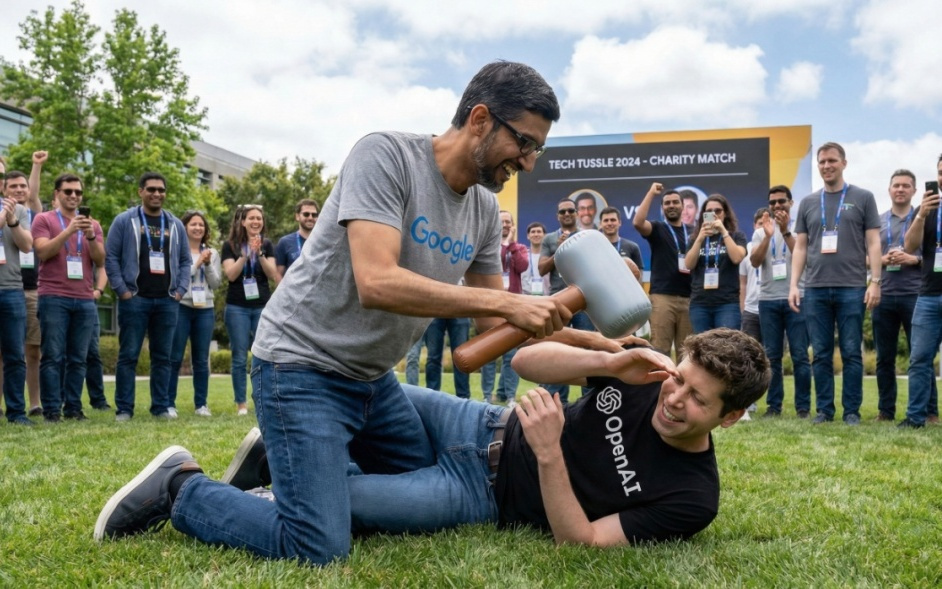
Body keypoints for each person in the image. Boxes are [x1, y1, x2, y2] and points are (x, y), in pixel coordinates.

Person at [96, 60, 576, 565]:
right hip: (300, 366)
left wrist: (600, 347)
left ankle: (280, 462)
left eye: (537, 149)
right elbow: (378, 281)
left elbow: (494, 328)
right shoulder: (386, 156)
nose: (528, 163)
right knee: (317, 546)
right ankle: (179, 486)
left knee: (411, 488)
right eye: (524, 142)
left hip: (372, 383)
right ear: (480, 119)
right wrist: (509, 301)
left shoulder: (483, 210)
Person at [102, 328, 770, 551]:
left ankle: (179, 486)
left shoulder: (692, 496)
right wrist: (609, 360)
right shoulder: (646, 378)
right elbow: (525, 361)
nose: (674, 399)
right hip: (474, 421)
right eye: (680, 380)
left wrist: (548, 454)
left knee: (329, 512)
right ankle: (280, 452)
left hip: (477, 492)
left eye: (697, 399)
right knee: (362, 384)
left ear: (729, 417)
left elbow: (584, 543)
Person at [789, 142, 882, 426]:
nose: (826, 166)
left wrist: (875, 281)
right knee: (820, 353)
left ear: (844, 163)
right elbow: (800, 247)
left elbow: (874, 242)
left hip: (852, 287)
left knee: (852, 351)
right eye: (822, 161)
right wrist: (794, 285)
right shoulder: (808, 202)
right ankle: (825, 411)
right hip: (815, 288)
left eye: (832, 160)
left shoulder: (863, 197)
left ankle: (851, 411)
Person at [105, 172, 191, 421]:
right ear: (140, 191)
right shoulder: (124, 220)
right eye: (151, 189)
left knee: (163, 357)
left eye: (161, 190)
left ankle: (161, 407)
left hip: (167, 300)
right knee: (128, 355)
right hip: (135, 298)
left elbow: (185, 261)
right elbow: (111, 257)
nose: (156, 194)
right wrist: (122, 290)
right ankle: (124, 408)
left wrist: (180, 290)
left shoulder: (175, 224)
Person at [32, 174, 105, 422]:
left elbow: (100, 260)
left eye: (78, 192)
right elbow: (43, 252)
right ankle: (52, 409)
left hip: (84, 298)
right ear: (57, 193)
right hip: (53, 296)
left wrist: (90, 236)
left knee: (79, 358)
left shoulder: (93, 225)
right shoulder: (44, 219)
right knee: (53, 356)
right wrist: (69, 231)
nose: (74, 196)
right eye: (68, 191)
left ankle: (73, 408)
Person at [871, 170, 938, 423]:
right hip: (885, 294)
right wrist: (882, 260)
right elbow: (866, 258)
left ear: (914, 190)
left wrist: (913, 259)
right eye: (896, 185)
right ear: (889, 190)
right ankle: (885, 411)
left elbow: (931, 255)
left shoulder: (926, 215)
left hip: (917, 294)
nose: (900, 189)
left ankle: (930, 412)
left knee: (921, 355)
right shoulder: (878, 222)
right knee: (884, 358)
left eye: (906, 186)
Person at [750, 186, 812, 418]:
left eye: (781, 201)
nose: (777, 206)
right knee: (772, 356)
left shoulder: (801, 229)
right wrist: (768, 236)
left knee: (800, 355)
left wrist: (785, 231)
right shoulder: (761, 232)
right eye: (773, 202)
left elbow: (804, 258)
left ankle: (803, 407)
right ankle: (774, 406)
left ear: (791, 203)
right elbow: (755, 262)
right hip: (768, 299)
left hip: (797, 297)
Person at [221, 204, 280, 415]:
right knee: (239, 356)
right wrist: (245, 255)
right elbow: (231, 274)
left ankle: (264, 400)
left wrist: (260, 253)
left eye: (259, 218)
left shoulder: (267, 244)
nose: (256, 222)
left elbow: (273, 274)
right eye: (252, 218)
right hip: (237, 307)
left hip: (262, 306)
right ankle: (241, 404)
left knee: (265, 354)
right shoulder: (230, 245)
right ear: (243, 222)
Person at [900, 154, 942, 428]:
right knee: (919, 360)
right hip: (928, 295)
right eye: (941, 172)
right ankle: (915, 418)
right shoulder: (928, 208)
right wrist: (921, 215)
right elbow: (909, 246)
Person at [169, 210, 222, 417]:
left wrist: (207, 264)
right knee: (175, 357)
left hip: (205, 309)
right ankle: (169, 404)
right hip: (181, 306)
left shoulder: (212, 253)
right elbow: (176, 278)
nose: (198, 228)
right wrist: (197, 262)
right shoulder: (176, 250)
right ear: (184, 227)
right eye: (193, 224)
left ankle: (201, 404)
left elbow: (216, 283)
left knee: (201, 359)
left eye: (201, 225)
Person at [538, 198, 592, 403]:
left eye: (570, 210)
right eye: (563, 212)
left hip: (584, 301)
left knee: (587, 350)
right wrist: (558, 251)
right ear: (557, 216)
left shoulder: (587, 236)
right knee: (556, 350)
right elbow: (542, 269)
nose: (567, 214)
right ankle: (556, 402)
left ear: (577, 213)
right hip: (558, 301)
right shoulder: (549, 239)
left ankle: (588, 402)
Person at [632, 183, 693, 359]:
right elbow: (638, 222)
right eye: (667, 203)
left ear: (683, 206)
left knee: (687, 353)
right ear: (662, 208)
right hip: (662, 297)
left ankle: (682, 379)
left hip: (690, 298)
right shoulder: (658, 228)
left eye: (675, 202)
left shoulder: (694, 232)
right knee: (660, 350)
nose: (671, 205)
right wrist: (651, 193)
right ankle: (661, 379)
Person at [481, 210, 529, 404]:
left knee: (511, 355)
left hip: (513, 305)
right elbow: (498, 262)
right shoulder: (489, 246)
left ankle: (509, 396)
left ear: (513, 225)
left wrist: (512, 245)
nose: (505, 225)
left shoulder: (520, 247)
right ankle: (486, 396)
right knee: (489, 354)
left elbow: (522, 266)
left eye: (508, 222)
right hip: (492, 305)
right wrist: (505, 244)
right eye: (502, 221)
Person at [0, 173, 35, 425]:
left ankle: (16, 412)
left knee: (15, 354)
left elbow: (27, 246)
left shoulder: (20, 210)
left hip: (12, 289)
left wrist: (12, 220)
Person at [684, 194, 747, 333]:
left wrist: (724, 231)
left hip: (727, 303)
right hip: (700, 303)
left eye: (718, 211)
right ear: (703, 215)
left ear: (725, 213)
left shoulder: (737, 236)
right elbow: (688, 265)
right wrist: (699, 238)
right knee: (702, 344)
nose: (714, 215)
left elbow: (737, 258)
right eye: (709, 212)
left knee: (727, 343)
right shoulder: (695, 238)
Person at [424, 316, 472, 399]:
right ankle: (431, 398)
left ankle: (463, 398)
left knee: (462, 358)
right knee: (433, 358)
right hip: (434, 312)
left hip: (459, 311)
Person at [740, 208, 766, 343]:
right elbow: (742, 283)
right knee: (750, 351)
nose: (762, 227)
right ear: (754, 225)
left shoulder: (776, 247)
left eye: (766, 224)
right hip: (751, 310)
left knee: (772, 350)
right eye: (760, 223)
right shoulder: (746, 249)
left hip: (771, 307)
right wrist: (743, 309)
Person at [275, 198, 318, 278]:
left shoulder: (323, 242)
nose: (310, 218)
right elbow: (278, 274)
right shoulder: (285, 242)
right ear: (297, 216)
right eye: (306, 214)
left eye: (314, 215)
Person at [599, 206, 643, 281]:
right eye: (606, 220)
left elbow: (639, 277)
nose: (609, 223)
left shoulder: (633, 247)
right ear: (600, 224)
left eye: (613, 220)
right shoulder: (594, 247)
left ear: (619, 222)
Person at [522, 221, 549, 296]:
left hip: (546, 297)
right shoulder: (522, 256)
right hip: (525, 298)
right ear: (528, 236)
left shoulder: (549, 257)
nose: (536, 234)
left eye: (539, 232)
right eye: (533, 232)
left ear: (545, 236)